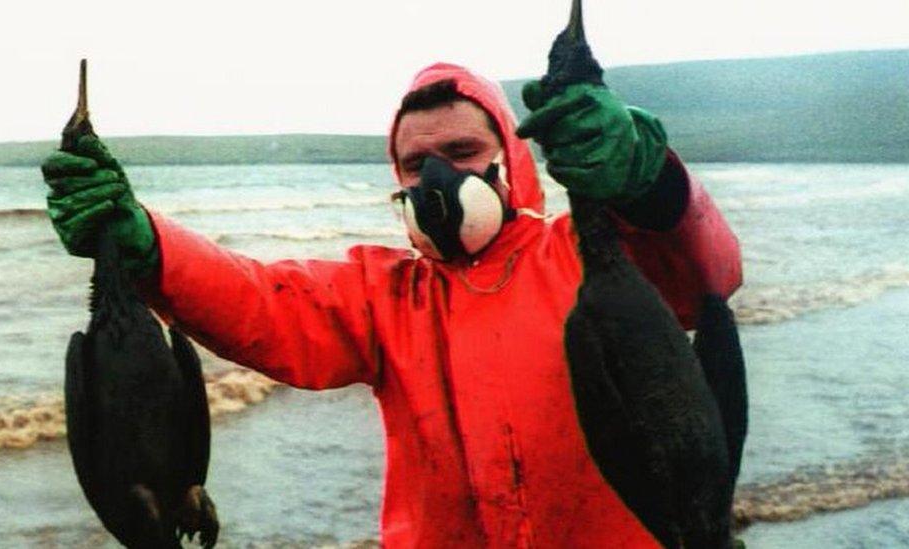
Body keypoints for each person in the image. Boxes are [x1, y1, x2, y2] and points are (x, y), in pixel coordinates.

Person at [42, 62, 741, 547]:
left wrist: (649, 186)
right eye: (415, 164)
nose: (437, 176)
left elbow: (703, 278)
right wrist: (150, 248)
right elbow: (265, 304)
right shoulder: (388, 296)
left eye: (463, 150)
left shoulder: (592, 257)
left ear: (513, 159)